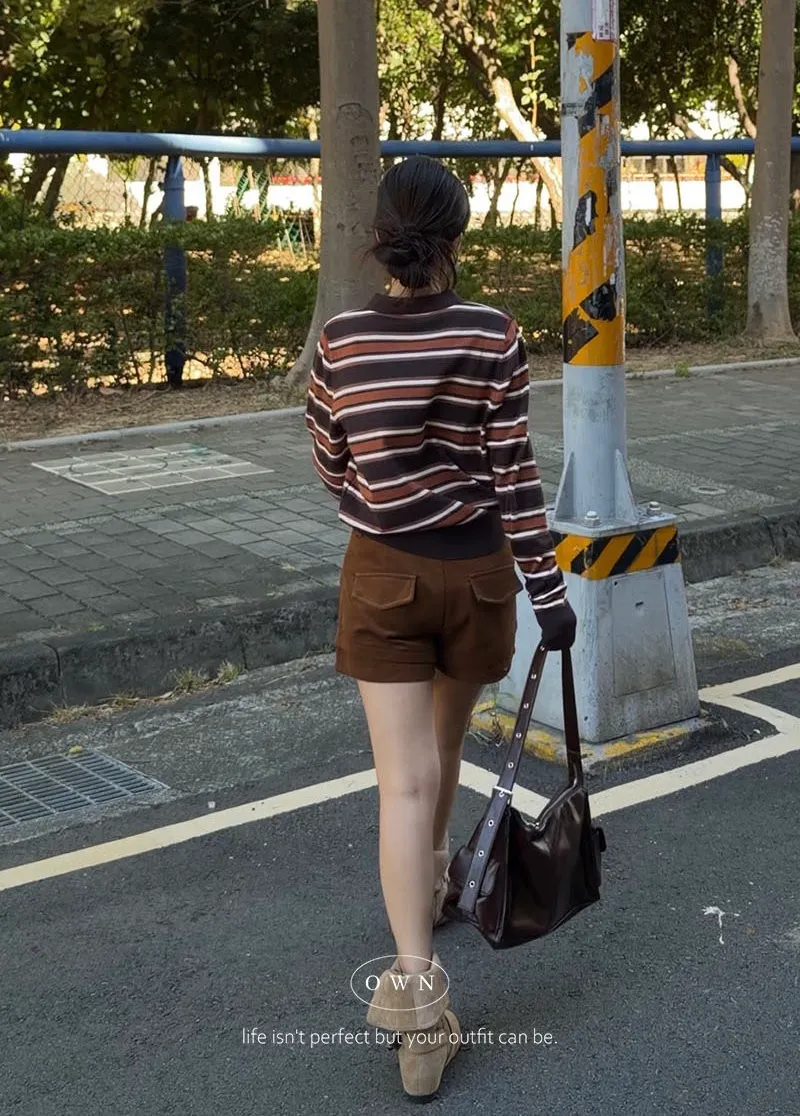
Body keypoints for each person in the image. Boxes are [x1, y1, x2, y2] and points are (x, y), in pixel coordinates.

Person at [304, 155, 576, 1101]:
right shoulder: (494, 333)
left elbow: (329, 457)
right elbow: (516, 476)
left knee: (403, 780)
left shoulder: (341, 340)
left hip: (383, 571)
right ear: (457, 236)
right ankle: (435, 884)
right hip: (478, 573)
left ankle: (416, 998)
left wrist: (381, 498)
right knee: (446, 749)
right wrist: (550, 593)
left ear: (379, 235)